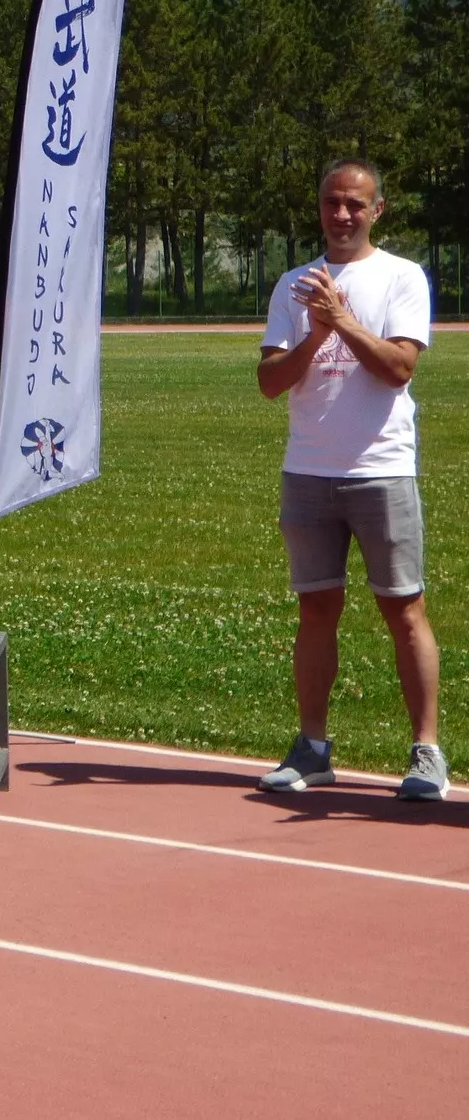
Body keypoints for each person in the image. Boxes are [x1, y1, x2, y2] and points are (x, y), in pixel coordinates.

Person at [256, 159, 442, 799]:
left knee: (404, 610)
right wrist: (314, 336)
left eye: (355, 204)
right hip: (308, 469)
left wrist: (345, 321)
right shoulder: (292, 284)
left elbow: (398, 368)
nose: (342, 215)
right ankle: (312, 748)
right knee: (316, 609)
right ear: (319, 207)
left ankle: (426, 752)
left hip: (381, 468)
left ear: (377, 210)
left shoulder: (401, 278)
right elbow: (270, 383)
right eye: (332, 203)